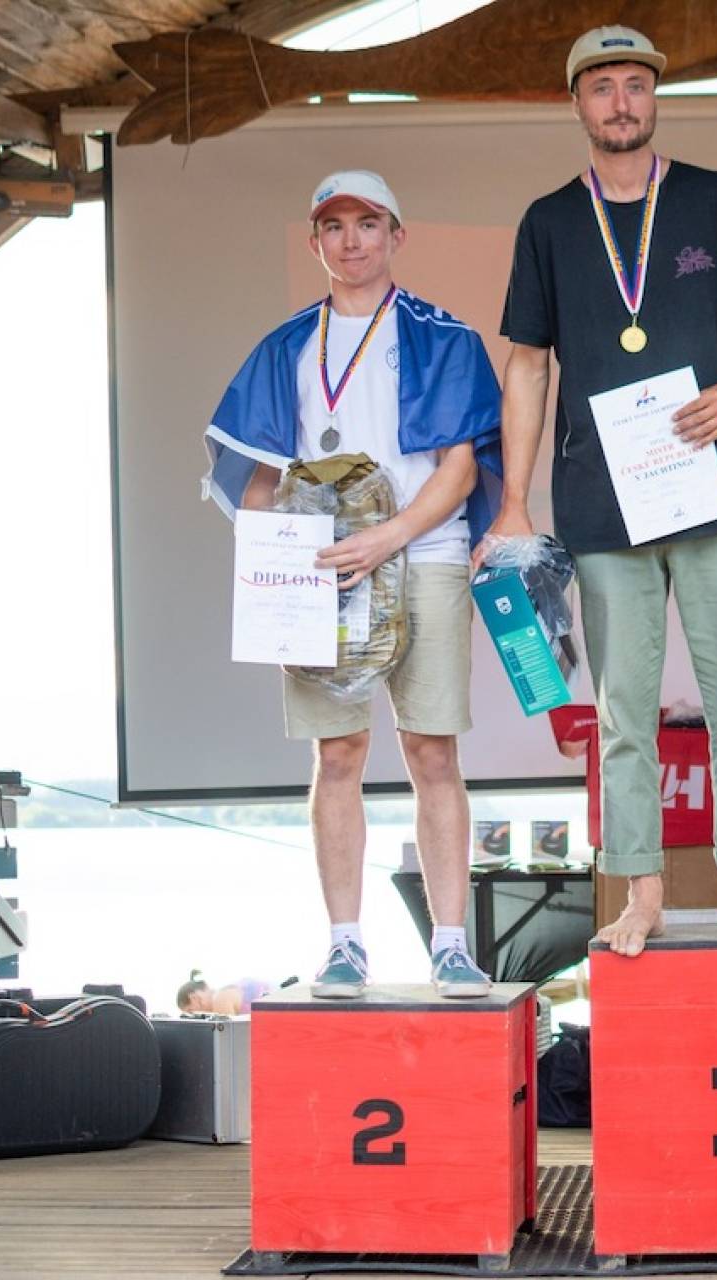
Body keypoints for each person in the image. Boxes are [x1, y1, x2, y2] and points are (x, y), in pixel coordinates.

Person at [481, 27, 717, 956]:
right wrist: (514, 501)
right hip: (602, 500)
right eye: (602, 87)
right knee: (622, 712)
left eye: (635, 85)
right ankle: (640, 891)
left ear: (654, 97)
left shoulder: (712, 197)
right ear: (576, 103)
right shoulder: (548, 221)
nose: (621, 102)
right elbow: (528, 364)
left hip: (716, 491)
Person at [202, 170, 503, 1000]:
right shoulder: (288, 345)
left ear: (397, 235)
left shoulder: (444, 336)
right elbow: (259, 475)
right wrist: (272, 580)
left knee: (432, 749)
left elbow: (460, 467)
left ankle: (450, 944)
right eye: (334, 226)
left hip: (426, 552)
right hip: (324, 571)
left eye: (368, 223)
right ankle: (344, 945)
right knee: (336, 753)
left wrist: (388, 537)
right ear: (315, 243)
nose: (352, 240)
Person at [177, 971, 276, 1015]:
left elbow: (229, 1043)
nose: (193, 1016)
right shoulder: (227, 990)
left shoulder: (220, 1000)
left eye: (190, 1011)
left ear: (195, 998)